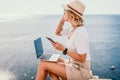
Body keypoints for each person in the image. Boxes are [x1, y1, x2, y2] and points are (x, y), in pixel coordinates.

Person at [36, 0, 93, 80]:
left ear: (71, 14)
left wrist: (63, 49)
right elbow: (57, 32)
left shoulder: (80, 32)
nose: (63, 14)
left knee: (43, 64)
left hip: (81, 70)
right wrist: (62, 20)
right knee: (48, 59)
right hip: (73, 63)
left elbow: (82, 59)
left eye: (64, 12)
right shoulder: (72, 29)